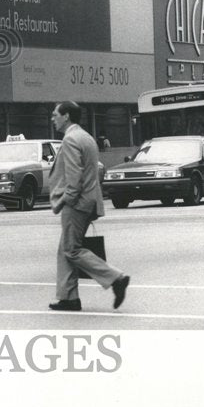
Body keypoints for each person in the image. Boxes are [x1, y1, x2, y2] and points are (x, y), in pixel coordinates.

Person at [48, 101, 130, 311]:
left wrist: (67, 198)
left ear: (66, 116)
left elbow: (74, 176)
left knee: (71, 249)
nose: (52, 118)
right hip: (89, 199)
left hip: (77, 202)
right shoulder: (85, 136)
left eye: (55, 114)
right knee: (66, 248)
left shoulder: (71, 139)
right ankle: (68, 298)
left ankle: (116, 278)